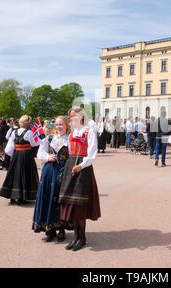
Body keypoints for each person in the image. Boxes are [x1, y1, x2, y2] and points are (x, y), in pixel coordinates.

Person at [59, 107, 101, 251]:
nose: (71, 119)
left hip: (82, 169)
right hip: (71, 166)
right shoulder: (71, 134)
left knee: (80, 207)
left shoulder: (88, 132)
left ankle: (82, 238)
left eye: (74, 117)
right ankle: (76, 236)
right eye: (70, 117)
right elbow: (69, 152)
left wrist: (81, 166)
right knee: (72, 204)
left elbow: (92, 154)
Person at [33, 116, 72, 242]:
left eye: (61, 124)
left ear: (66, 125)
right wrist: (48, 157)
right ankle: (49, 229)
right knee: (48, 198)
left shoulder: (70, 140)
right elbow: (40, 153)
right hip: (49, 172)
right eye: (57, 124)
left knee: (60, 200)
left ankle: (61, 229)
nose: (59, 127)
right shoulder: (49, 138)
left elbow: (73, 156)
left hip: (63, 172)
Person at [0, 115, 40, 204]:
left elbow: (9, 148)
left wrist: (13, 156)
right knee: (26, 174)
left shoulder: (14, 132)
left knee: (14, 174)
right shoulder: (29, 132)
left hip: (16, 154)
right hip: (26, 155)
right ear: (28, 123)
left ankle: (13, 196)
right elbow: (34, 144)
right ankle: (23, 197)